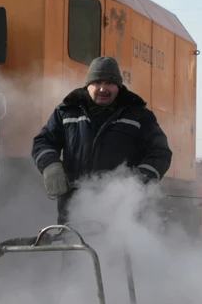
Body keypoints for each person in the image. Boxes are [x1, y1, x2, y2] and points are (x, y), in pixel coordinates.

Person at [31, 55, 172, 224]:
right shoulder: (67, 112)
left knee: (115, 249)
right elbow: (43, 141)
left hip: (123, 215)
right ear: (88, 85)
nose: (103, 89)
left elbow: (160, 152)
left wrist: (136, 182)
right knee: (76, 250)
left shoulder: (139, 115)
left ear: (118, 86)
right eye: (97, 83)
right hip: (75, 210)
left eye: (109, 83)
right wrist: (51, 166)